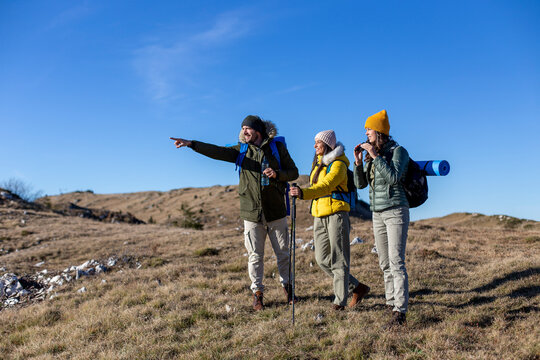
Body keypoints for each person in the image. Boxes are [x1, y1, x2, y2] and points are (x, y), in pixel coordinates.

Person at [170, 115, 299, 311]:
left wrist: (277, 174)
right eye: (243, 129)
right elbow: (217, 152)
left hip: (276, 212)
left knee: (282, 254)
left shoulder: (276, 148)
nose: (244, 132)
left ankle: (288, 288)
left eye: (248, 129)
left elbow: (294, 172)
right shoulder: (241, 150)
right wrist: (191, 144)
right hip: (251, 213)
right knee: (255, 256)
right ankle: (257, 294)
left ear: (258, 130)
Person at [290, 130, 370, 310]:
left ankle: (339, 302)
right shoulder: (318, 164)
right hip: (319, 215)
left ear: (327, 144)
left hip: (337, 214)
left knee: (339, 259)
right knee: (322, 259)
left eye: (318, 142)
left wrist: (303, 193)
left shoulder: (339, 164)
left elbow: (326, 186)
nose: (315, 145)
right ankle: (357, 287)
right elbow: (317, 186)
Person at [353, 109, 410, 327]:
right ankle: (390, 304)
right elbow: (360, 185)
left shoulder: (398, 151)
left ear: (379, 131)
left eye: (369, 129)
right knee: (384, 262)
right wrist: (359, 162)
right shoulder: (370, 155)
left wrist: (376, 157)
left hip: (396, 210)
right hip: (378, 213)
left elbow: (394, 178)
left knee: (396, 262)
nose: (366, 132)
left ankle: (400, 311)